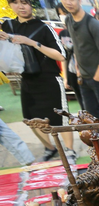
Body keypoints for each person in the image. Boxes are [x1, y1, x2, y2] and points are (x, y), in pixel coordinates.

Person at [0, 0, 76, 163]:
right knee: (31, 119)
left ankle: (70, 151)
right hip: (26, 78)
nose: (21, 6)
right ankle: (50, 148)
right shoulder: (8, 26)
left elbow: (60, 55)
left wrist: (32, 42)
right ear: (11, 5)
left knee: (60, 117)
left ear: (31, 5)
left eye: (25, 2)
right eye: (16, 3)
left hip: (49, 78)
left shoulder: (44, 27)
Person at [62, 0, 99, 137]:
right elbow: (77, 48)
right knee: (90, 117)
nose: (67, 2)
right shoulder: (69, 20)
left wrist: (98, 78)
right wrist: (78, 71)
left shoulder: (93, 24)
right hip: (84, 79)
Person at [55, 2, 83, 110]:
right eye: (60, 14)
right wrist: (65, 78)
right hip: (72, 71)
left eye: (64, 13)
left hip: (87, 71)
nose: (63, 16)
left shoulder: (83, 27)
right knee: (81, 100)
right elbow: (64, 56)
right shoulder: (62, 34)